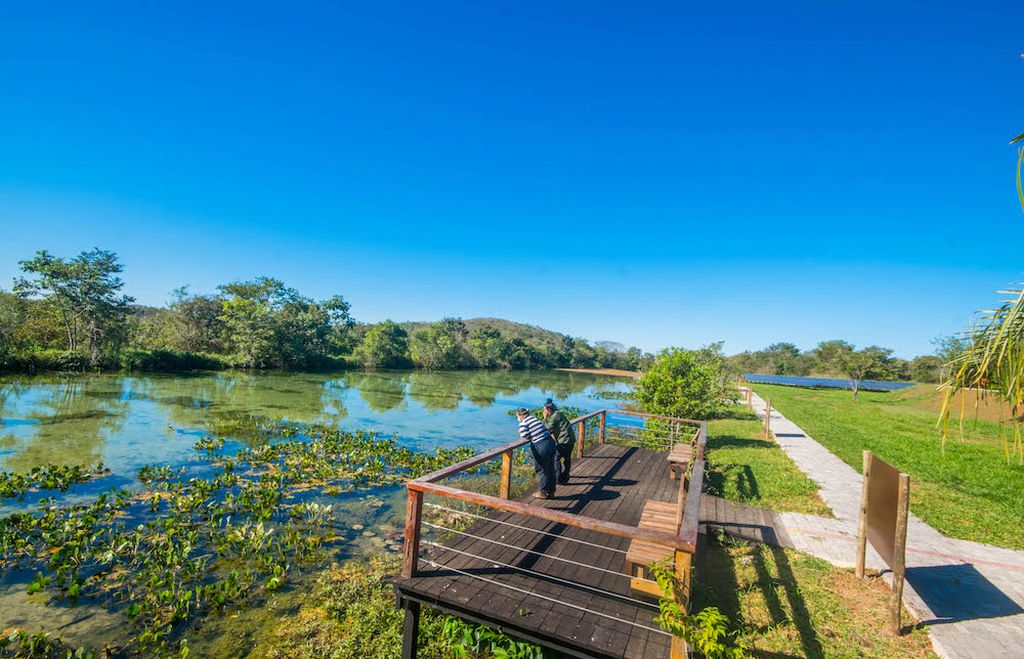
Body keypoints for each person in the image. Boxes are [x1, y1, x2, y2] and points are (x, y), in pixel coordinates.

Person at [516, 407, 557, 498]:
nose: (517, 417)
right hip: (550, 442)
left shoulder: (523, 423)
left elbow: (524, 436)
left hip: (542, 446)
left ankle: (543, 492)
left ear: (521, 415)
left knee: (542, 469)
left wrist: (520, 431)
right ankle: (551, 491)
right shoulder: (534, 419)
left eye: (517, 415)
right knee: (550, 468)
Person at [542, 398, 576, 485]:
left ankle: (558, 478)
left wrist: (545, 418)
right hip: (570, 440)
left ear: (549, 410)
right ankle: (565, 477)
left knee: (555, 458)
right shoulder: (559, 414)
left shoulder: (555, 416)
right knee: (567, 459)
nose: (544, 412)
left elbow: (547, 428)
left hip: (564, 441)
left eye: (545, 410)